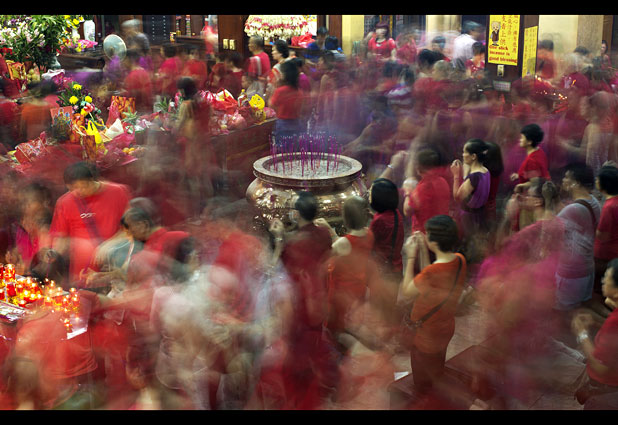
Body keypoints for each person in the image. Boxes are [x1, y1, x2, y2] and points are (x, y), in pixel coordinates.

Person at [269, 191, 339, 409]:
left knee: (299, 355)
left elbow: (275, 272)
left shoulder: (293, 243)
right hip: (320, 299)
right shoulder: (323, 234)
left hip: (299, 305)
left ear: (297, 214)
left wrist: (278, 239)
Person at [398, 215, 467, 396]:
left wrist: (411, 256)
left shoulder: (432, 272)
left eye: (427, 233)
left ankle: (429, 399)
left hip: (427, 335)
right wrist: (423, 249)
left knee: (422, 382)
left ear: (434, 242)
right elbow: (431, 278)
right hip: (445, 326)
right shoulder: (459, 260)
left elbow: (407, 291)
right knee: (436, 367)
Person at [49, 161, 131, 286]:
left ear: (93, 179)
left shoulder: (118, 192)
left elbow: (131, 228)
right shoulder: (64, 202)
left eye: (83, 186)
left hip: (113, 267)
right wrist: (53, 254)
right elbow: (61, 238)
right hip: (82, 273)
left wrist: (109, 244)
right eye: (72, 189)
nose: (78, 192)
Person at [314, 196, 376, 336]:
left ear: (346, 218)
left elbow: (325, 261)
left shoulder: (342, 244)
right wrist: (329, 228)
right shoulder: (369, 233)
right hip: (359, 287)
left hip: (342, 292)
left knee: (339, 328)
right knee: (353, 321)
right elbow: (346, 245)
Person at [572, 258, 618, 409]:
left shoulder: (614, 322)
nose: (603, 280)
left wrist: (582, 334)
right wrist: (597, 322)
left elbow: (600, 367)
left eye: (607, 277)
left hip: (606, 394)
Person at [555, 163, 601, 314]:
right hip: (587, 267)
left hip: (571, 273)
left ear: (576, 183)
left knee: (568, 314)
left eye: (566, 177)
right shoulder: (593, 201)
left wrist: (548, 201)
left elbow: (547, 228)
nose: (563, 180)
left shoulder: (573, 209)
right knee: (582, 308)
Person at [450, 139, 492, 235]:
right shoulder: (485, 171)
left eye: (465, 152)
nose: (463, 155)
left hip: (469, 219)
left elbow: (457, 197)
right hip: (480, 215)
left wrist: (456, 175)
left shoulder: (474, 177)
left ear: (473, 156)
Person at [404, 148, 451, 234]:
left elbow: (407, 211)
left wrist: (408, 193)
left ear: (418, 167)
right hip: (442, 231)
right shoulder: (443, 182)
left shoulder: (421, 189)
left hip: (424, 235)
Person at [369, 178, 404, 281]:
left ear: (378, 199)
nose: (368, 195)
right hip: (397, 266)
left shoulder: (378, 221)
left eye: (370, 193)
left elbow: (369, 241)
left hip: (383, 271)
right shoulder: (396, 213)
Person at [594, 165, 618, 300]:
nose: (596, 182)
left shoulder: (609, 207)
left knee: (600, 291)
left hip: (605, 255)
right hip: (615, 252)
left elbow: (603, 236)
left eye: (598, 180)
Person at [268, 60, 305, 145]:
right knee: (294, 147)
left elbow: (271, 104)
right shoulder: (299, 91)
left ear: (285, 75)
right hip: (296, 123)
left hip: (283, 124)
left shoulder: (280, 91)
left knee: (283, 149)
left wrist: (274, 88)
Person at [511, 123, 551, 190]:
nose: (520, 140)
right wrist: (519, 175)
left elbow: (535, 183)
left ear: (529, 141)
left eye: (522, 138)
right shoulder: (539, 151)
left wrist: (520, 186)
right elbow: (536, 172)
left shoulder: (531, 160)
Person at [122, 49, 153, 114]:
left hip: (138, 112)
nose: (123, 62)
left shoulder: (133, 76)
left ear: (128, 60)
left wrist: (123, 93)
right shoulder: (143, 71)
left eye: (124, 59)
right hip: (146, 110)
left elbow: (133, 95)